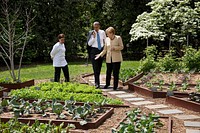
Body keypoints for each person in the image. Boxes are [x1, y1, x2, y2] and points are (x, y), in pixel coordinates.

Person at [87, 22, 106, 88]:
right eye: (94, 27)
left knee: (99, 67)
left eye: (97, 27)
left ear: (99, 26)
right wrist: (93, 38)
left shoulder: (102, 32)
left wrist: (105, 50)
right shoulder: (91, 33)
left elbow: (105, 41)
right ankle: (97, 83)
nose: (96, 29)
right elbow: (89, 44)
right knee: (95, 67)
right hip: (94, 51)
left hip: (100, 50)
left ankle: (98, 81)